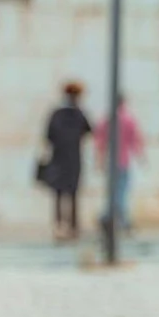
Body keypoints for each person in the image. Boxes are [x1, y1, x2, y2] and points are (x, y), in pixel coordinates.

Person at [41, 83, 92, 241]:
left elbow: (48, 136)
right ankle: (72, 227)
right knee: (73, 194)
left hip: (59, 158)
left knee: (59, 194)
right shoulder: (79, 114)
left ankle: (60, 226)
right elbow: (89, 131)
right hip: (73, 160)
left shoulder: (56, 114)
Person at [93, 94, 145, 233]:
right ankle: (121, 219)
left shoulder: (107, 120)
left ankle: (108, 216)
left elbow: (100, 142)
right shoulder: (128, 120)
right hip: (123, 160)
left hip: (111, 160)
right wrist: (141, 157)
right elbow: (135, 140)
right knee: (121, 191)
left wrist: (99, 160)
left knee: (113, 191)